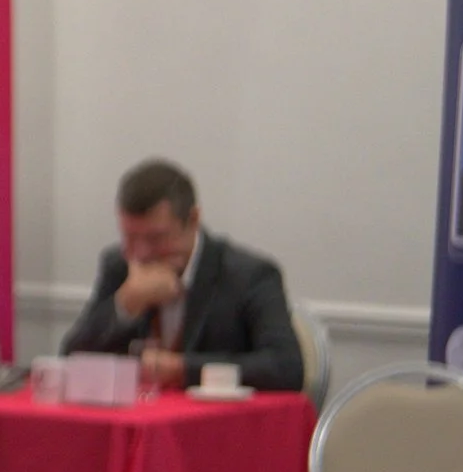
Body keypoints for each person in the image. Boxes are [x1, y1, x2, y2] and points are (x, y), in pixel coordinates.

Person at [61, 158, 303, 394]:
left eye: (156, 238)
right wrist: (127, 303)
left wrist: (183, 369)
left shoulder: (249, 275)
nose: (142, 253)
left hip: (217, 426)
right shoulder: (119, 265)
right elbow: (69, 358)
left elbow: (286, 367)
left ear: (193, 220)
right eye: (131, 237)